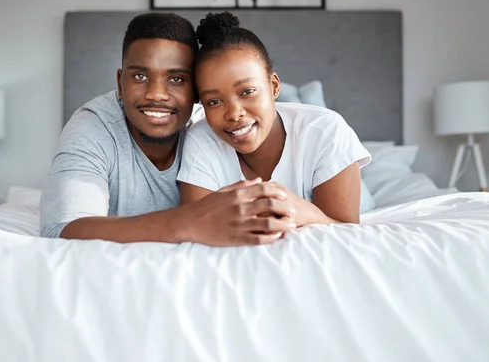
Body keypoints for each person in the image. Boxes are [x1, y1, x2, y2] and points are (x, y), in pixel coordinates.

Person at [40, 12, 298, 246]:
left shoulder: (216, 128)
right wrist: (187, 223)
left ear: (197, 91)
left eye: (176, 79)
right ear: (120, 83)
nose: (156, 95)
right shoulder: (92, 127)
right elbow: (64, 230)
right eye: (140, 76)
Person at [177, 12, 371, 226]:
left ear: (274, 86)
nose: (233, 113)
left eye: (247, 91)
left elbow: (346, 230)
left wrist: (300, 211)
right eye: (214, 101)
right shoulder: (201, 140)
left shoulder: (327, 132)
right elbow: (197, 226)